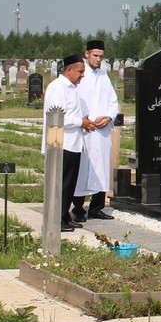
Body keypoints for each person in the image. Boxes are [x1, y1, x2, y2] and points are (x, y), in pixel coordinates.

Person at [42, 53, 93, 233]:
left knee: (69, 184)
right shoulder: (58, 88)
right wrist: (81, 122)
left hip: (74, 142)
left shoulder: (71, 88)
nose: (82, 75)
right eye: (80, 72)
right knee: (61, 184)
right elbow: (58, 116)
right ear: (69, 70)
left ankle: (64, 216)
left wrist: (84, 121)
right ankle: (57, 219)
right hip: (62, 144)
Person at [71, 40, 119, 223]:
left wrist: (108, 117)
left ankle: (97, 208)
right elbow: (74, 100)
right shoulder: (80, 75)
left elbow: (112, 102)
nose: (98, 59)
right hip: (85, 130)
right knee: (82, 169)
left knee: (101, 169)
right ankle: (78, 208)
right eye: (95, 56)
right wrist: (85, 120)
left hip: (102, 131)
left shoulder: (103, 76)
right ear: (87, 54)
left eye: (101, 56)